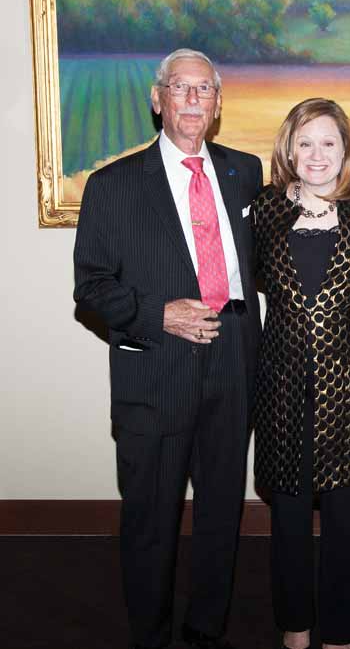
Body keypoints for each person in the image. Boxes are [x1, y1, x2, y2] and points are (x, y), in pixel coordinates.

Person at [73, 48, 262, 649]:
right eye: (180, 88)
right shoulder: (113, 185)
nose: (192, 100)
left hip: (233, 360)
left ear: (216, 103)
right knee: (151, 521)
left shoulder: (245, 172)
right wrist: (158, 314)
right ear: (157, 99)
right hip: (155, 368)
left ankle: (206, 630)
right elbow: (93, 285)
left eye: (204, 89)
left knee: (219, 518)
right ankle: (150, 636)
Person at [252, 98, 350, 649]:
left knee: (348, 527)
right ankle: (295, 629)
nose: (316, 154)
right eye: (305, 142)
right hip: (281, 392)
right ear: (288, 149)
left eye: (328, 142)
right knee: (288, 524)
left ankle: (340, 634)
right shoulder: (263, 211)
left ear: (346, 149)